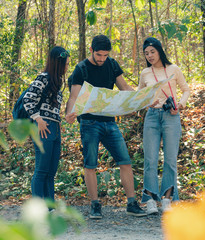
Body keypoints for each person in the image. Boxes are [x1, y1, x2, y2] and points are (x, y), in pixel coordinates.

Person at [65, 35, 146, 219]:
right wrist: (69, 113)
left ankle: (132, 203)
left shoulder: (112, 64)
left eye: (105, 55)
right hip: (89, 122)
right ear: (91, 51)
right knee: (90, 164)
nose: (102, 59)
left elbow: (124, 87)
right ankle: (95, 205)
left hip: (110, 121)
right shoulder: (81, 68)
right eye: (99, 55)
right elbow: (73, 96)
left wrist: (142, 100)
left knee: (125, 161)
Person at [138, 37, 190, 214]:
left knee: (170, 160)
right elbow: (140, 96)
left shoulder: (173, 69)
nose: (150, 55)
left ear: (159, 50)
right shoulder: (145, 73)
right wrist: (147, 104)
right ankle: (151, 200)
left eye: (152, 51)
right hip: (152, 117)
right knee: (150, 160)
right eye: (146, 53)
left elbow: (186, 90)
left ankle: (167, 198)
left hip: (171, 116)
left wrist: (180, 105)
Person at [23, 46, 70, 202]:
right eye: (65, 64)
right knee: (42, 170)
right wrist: (38, 119)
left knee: (51, 172)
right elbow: (28, 99)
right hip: (43, 127)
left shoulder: (58, 81)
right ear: (58, 63)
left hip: (55, 127)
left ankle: (50, 207)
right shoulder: (44, 77)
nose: (67, 67)